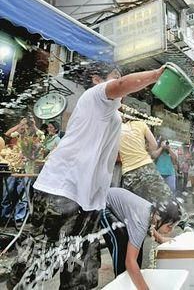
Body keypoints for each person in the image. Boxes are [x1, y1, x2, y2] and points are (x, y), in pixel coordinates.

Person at [8, 62, 166, 290]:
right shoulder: (94, 96)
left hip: (89, 201)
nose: (117, 82)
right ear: (96, 80)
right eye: (113, 76)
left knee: (81, 268)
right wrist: (157, 74)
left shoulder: (113, 116)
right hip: (60, 191)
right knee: (37, 260)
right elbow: (122, 84)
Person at [101, 188, 180, 289]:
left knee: (136, 246)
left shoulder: (152, 212)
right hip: (103, 204)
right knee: (121, 242)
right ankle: (121, 284)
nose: (171, 230)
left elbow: (150, 225)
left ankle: (132, 281)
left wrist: (160, 239)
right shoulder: (141, 222)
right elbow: (130, 262)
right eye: (169, 226)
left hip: (118, 204)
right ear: (158, 218)